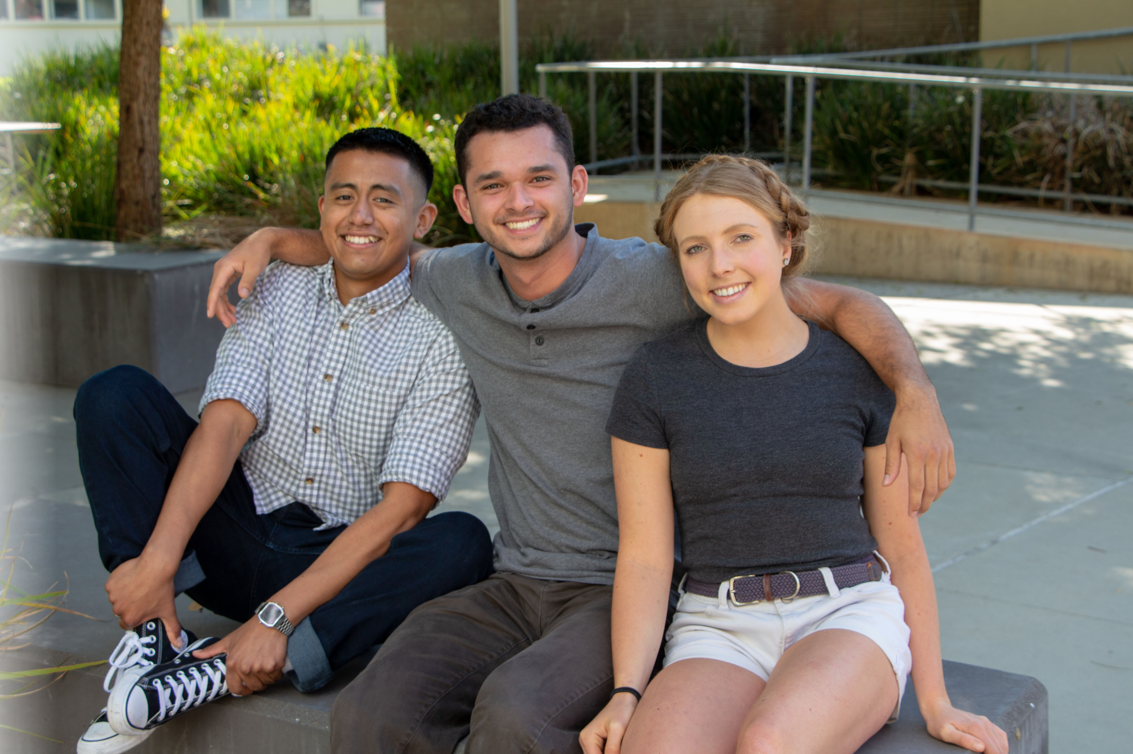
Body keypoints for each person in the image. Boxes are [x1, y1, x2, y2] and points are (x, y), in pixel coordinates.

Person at [205, 95, 957, 754]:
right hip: (515, 575)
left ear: (576, 185)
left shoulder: (665, 277)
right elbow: (368, 246)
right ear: (464, 205)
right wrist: (271, 241)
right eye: (492, 185)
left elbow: (829, 302)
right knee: (373, 708)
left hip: (624, 586)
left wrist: (913, 389)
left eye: (538, 178)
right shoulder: (455, 278)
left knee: (517, 718)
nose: (517, 201)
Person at [73, 127, 493, 754]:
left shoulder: (444, 331)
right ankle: (156, 633)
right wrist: (160, 561)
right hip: (227, 540)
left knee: (462, 543)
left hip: (330, 565)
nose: (360, 215)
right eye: (343, 196)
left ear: (424, 217)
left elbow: (402, 509)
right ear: (321, 207)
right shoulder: (275, 285)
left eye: (384, 199)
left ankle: (216, 668)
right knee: (114, 394)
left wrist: (277, 617)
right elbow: (225, 425)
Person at [578, 155, 1007, 754]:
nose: (719, 264)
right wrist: (628, 690)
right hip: (717, 623)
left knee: (769, 743)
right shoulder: (655, 376)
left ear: (786, 243)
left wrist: (934, 701)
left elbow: (902, 547)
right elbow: (647, 557)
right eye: (695, 248)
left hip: (847, 613)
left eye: (741, 237)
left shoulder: (854, 367)